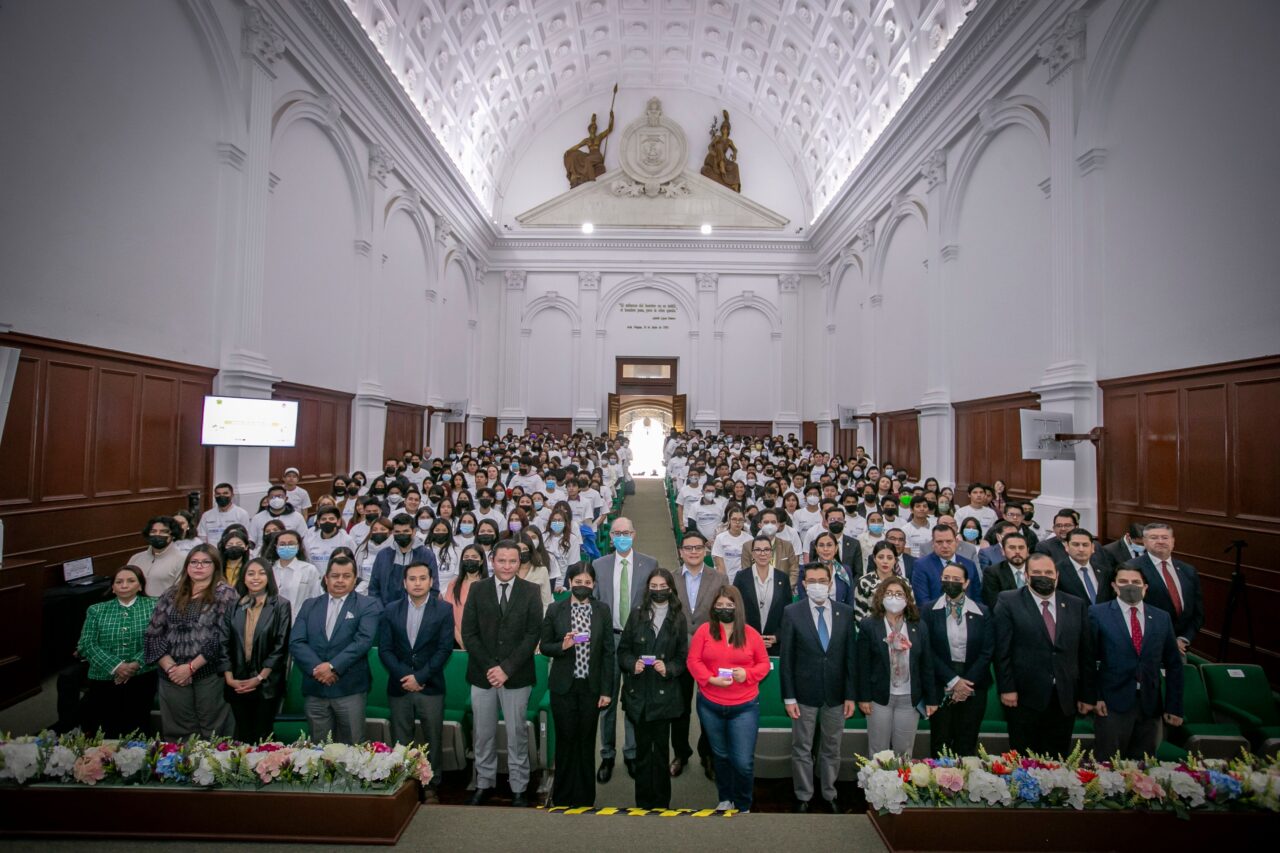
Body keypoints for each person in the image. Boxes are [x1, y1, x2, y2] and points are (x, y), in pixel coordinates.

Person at [461, 540, 543, 807]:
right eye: (501, 561)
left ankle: (519, 787)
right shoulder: (477, 589)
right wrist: (490, 668)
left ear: (519, 562)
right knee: (483, 734)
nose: (507, 566)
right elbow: (469, 633)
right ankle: (484, 783)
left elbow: (533, 634)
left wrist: (506, 669)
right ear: (492, 561)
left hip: (516, 676)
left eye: (512, 561)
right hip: (482, 675)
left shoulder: (531, 591)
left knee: (516, 734)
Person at [993, 553, 1095, 758]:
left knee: (1058, 759)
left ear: (1057, 575)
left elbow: (1086, 653)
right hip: (1024, 696)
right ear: (1027, 576)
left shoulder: (1076, 604)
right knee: (1023, 759)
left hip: (1064, 696)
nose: (1043, 576)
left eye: (1048, 572)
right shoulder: (1008, 600)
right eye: (1037, 572)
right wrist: (1007, 688)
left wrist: (1087, 695)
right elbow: (1002, 650)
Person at [779, 562, 856, 813]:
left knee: (832, 747)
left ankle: (829, 792)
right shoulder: (792, 612)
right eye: (811, 581)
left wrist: (850, 695)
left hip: (836, 695)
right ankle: (803, 795)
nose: (817, 585)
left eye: (822, 581)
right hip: (803, 693)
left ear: (831, 582)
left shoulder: (845, 612)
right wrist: (789, 697)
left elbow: (849, 659)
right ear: (803, 584)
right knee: (802, 746)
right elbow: (787, 659)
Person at [687, 586, 771, 812]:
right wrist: (710, 679)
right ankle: (725, 797)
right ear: (714, 607)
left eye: (729, 605)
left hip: (744, 707)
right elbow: (693, 661)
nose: (724, 609)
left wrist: (748, 674)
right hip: (710, 705)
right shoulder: (704, 631)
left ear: (738, 607)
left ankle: (743, 804)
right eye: (720, 605)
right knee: (721, 756)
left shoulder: (751, 634)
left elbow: (764, 664)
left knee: (742, 762)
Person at [539, 562, 616, 808]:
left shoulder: (602, 610)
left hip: (591, 688)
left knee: (585, 741)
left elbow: (607, 653)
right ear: (570, 582)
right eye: (578, 582)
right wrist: (562, 646)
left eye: (587, 582)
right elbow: (545, 646)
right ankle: (562, 797)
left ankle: (584, 798)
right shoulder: (555, 609)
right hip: (563, 687)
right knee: (565, 741)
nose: (582, 586)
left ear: (593, 584)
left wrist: (606, 690)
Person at [1088, 565, 1184, 759]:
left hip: (1150, 704)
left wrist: (1174, 706)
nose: (1129, 586)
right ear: (1114, 586)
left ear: (1145, 587)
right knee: (1108, 765)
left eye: (1136, 582)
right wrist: (1094, 697)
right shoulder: (1098, 613)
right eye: (1123, 582)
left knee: (1143, 768)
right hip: (1111, 702)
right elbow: (1088, 659)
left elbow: (1174, 664)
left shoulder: (1161, 617)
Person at [144, 545, 239, 738]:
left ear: (215, 566)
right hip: (171, 675)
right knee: (178, 732)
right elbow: (153, 634)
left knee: (214, 731)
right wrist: (172, 669)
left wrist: (190, 668)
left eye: (205, 562)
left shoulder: (226, 594)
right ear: (187, 566)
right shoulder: (171, 594)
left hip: (209, 673)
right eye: (194, 562)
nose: (199, 566)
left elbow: (222, 637)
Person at [378, 561, 453, 802]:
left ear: (431, 582)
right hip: (399, 686)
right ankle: (406, 783)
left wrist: (420, 677)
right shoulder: (390, 609)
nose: (417, 583)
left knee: (433, 736)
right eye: (412, 579)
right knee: (402, 738)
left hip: (430, 686)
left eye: (423, 578)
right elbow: (385, 650)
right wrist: (405, 677)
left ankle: (431, 784)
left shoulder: (443, 610)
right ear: (404, 582)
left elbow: (444, 649)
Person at [289, 553, 383, 743]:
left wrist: (332, 666)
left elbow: (363, 641)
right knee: (318, 751)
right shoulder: (310, 605)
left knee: (353, 748)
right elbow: (296, 641)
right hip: (315, 688)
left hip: (349, 689)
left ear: (355, 579)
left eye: (346, 576)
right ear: (326, 578)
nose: (340, 580)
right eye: (335, 575)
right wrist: (319, 668)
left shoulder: (368, 605)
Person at [618, 567, 689, 810]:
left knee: (660, 752)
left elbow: (682, 659)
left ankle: (661, 803)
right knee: (641, 751)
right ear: (648, 588)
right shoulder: (637, 614)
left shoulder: (678, 617)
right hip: (638, 693)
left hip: (664, 696)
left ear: (671, 589)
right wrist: (632, 664)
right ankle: (642, 801)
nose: (658, 591)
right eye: (654, 586)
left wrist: (668, 668)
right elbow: (623, 651)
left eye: (663, 587)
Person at [591, 517, 654, 783]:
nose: (621, 536)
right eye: (617, 533)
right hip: (609, 641)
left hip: (636, 643)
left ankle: (631, 753)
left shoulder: (650, 564)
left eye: (626, 532)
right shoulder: (599, 565)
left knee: (632, 700)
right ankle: (607, 754)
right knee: (606, 700)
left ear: (634, 534)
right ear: (612, 537)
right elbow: (594, 603)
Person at [856, 576, 938, 756]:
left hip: (909, 698)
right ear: (880, 597)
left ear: (907, 599)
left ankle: (901, 784)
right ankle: (877, 784)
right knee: (878, 751)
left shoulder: (918, 626)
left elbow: (927, 665)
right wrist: (864, 697)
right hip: (879, 698)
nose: (894, 598)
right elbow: (862, 665)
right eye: (889, 593)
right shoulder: (869, 625)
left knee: (904, 751)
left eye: (899, 594)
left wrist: (931, 698)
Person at [76, 566, 158, 737]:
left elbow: (159, 639)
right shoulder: (96, 610)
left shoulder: (154, 606)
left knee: (138, 726)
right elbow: (87, 644)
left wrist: (135, 664)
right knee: (107, 728)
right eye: (119, 582)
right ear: (112, 587)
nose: (124, 585)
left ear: (141, 586)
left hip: (142, 676)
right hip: (104, 678)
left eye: (131, 581)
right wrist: (116, 666)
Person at [922, 562, 992, 757]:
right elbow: (927, 649)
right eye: (946, 578)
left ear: (967, 582)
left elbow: (987, 651)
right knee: (940, 743)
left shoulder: (982, 611)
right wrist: (953, 681)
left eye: (956, 579)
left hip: (973, 683)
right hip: (941, 682)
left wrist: (965, 685)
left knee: (966, 742)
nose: (950, 582)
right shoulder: (928, 610)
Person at [218, 557, 292, 743]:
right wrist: (229, 678)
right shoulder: (233, 605)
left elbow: (280, 646)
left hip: (266, 683)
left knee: (263, 736)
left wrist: (259, 678)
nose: (255, 578)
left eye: (261, 573)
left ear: (269, 577)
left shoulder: (281, 605)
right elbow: (224, 642)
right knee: (242, 736)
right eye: (250, 573)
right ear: (243, 578)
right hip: (236, 681)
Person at [672, 530, 724, 779]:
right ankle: (681, 753)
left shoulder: (719, 579)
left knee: (709, 708)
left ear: (705, 550)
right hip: (679, 653)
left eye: (698, 548)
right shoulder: (670, 579)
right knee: (680, 708)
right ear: (681, 552)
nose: (693, 552)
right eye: (688, 548)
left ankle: (708, 753)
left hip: (709, 655)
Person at [1124, 522, 1203, 654]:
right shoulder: (1131, 568)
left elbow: (1197, 612)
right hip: (1146, 646)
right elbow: (1129, 611)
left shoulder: (1188, 570)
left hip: (1180, 648)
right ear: (1144, 542)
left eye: (1165, 537)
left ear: (1173, 541)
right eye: (1154, 538)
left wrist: (1183, 639)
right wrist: (1167, 642)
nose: (1160, 541)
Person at [733, 534, 790, 652]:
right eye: (758, 550)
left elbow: (787, 613)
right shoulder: (741, 578)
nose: (762, 553)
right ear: (752, 554)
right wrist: (750, 637)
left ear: (771, 552)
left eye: (766, 550)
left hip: (774, 644)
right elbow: (736, 610)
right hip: (746, 643)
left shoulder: (782, 578)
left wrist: (777, 637)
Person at [368, 514, 440, 606]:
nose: (401, 535)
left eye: (406, 531)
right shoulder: (382, 555)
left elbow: (433, 588)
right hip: (385, 612)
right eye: (397, 532)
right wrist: (380, 610)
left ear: (413, 532)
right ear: (393, 532)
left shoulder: (427, 555)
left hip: (417, 611)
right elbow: (373, 588)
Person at [911, 524, 981, 609]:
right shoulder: (921, 565)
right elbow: (923, 601)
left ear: (957, 542)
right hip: (935, 617)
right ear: (933, 543)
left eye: (949, 541)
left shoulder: (969, 565)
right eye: (939, 542)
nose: (944, 546)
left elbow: (977, 598)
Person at [269, 529, 321, 623]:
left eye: (291, 543)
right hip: (272, 621)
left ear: (298, 546)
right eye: (282, 544)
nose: (287, 547)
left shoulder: (309, 569)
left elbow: (316, 598)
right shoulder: (269, 569)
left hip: (300, 621)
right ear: (276, 547)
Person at [1054, 527, 1112, 606]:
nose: (1081, 549)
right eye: (1076, 545)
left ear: (1092, 548)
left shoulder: (1104, 572)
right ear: (1067, 547)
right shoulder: (1057, 571)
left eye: (1085, 545)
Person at [132, 516, 184, 597]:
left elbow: (181, 591)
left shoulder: (182, 559)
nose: (157, 534)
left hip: (164, 607)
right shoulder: (136, 558)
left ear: (173, 535)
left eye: (163, 532)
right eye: (153, 531)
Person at [447, 544, 487, 648]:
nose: (470, 560)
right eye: (466, 557)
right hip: (456, 640)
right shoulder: (453, 585)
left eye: (474, 557)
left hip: (484, 642)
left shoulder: (490, 584)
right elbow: (448, 614)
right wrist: (460, 639)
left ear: (482, 561)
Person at [981, 531, 1031, 609]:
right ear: (1003, 551)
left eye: (1021, 547)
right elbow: (993, 604)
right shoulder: (992, 572)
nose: (1017, 551)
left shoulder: (1036, 571)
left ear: (1027, 551)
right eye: (1012, 547)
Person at [303, 504, 355, 569]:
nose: (327, 521)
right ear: (318, 523)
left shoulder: (347, 540)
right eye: (324, 519)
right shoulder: (310, 539)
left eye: (331, 519)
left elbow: (354, 563)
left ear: (338, 522)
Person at [711, 506, 752, 579]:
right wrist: (725, 583)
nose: (737, 522)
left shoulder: (750, 539)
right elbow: (719, 565)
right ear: (729, 521)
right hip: (725, 578)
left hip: (744, 579)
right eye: (734, 519)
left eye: (740, 520)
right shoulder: (720, 538)